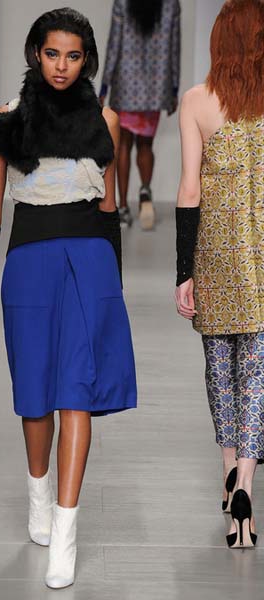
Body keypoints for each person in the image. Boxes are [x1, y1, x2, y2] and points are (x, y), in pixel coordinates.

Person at [0, 8, 137, 588]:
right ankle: (38, 492)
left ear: (87, 60)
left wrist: (113, 291)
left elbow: (109, 209)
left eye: (74, 55)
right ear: (35, 54)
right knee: (34, 395)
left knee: (75, 393)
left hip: (89, 263)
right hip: (29, 265)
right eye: (52, 53)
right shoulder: (7, 121)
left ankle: (66, 532)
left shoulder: (106, 121)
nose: (62, 65)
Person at [175, 0, 264, 549]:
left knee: (220, 368)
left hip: (216, 251)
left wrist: (182, 270)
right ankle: (248, 485)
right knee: (257, 370)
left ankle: (229, 471)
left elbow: (190, 189)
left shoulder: (196, 101)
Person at [100, 0, 180, 230]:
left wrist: (104, 86)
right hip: (156, 86)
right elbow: (174, 48)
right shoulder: (170, 4)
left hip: (125, 85)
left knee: (123, 145)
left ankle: (123, 208)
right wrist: (173, 88)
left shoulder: (123, 3)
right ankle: (145, 190)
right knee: (146, 145)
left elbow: (114, 44)